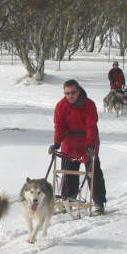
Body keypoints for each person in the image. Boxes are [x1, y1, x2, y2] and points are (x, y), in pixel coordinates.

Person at [48, 79, 106, 214]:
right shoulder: (61, 105)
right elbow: (59, 126)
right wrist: (57, 143)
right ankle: (68, 199)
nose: (70, 96)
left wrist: (91, 145)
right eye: (67, 93)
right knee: (68, 172)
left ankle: (99, 202)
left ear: (78, 91)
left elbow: (91, 126)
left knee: (93, 172)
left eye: (73, 93)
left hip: (87, 141)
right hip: (69, 142)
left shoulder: (89, 104)